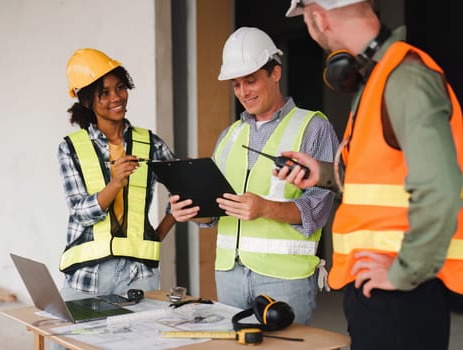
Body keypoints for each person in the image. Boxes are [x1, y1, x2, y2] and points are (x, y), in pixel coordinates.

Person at [279, 1, 463, 349]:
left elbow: (442, 187)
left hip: (400, 293)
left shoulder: (404, 78)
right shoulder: (380, 78)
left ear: (318, 16)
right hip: (377, 289)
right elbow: (383, 174)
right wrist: (322, 174)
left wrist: (403, 271)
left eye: (305, 19)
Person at [169, 27, 339, 325]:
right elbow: (214, 210)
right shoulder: (230, 136)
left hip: (284, 277)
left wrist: (265, 208)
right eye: (236, 84)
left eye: (251, 80)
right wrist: (191, 210)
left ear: (275, 73)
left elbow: (320, 205)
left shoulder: (312, 126)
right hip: (229, 276)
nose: (243, 92)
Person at [58, 48, 176, 301]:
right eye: (104, 93)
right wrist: (115, 183)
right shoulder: (71, 147)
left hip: (139, 273)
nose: (117, 97)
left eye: (120, 87)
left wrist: (159, 232)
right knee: (71, 341)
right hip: (87, 276)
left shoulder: (149, 142)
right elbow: (80, 212)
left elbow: (185, 187)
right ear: (87, 101)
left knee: (140, 340)